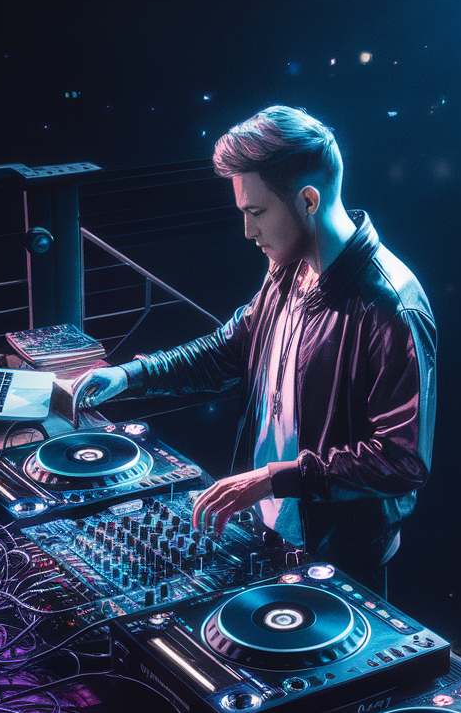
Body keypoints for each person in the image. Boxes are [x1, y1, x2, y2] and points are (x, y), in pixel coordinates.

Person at [78, 106, 436, 591]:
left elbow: (400, 460)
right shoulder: (287, 270)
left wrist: (273, 478)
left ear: (308, 200)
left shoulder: (391, 307)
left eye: (257, 212)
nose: (248, 232)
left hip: (341, 557)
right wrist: (128, 376)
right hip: (268, 532)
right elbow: (226, 352)